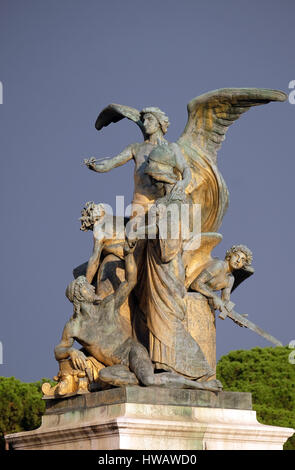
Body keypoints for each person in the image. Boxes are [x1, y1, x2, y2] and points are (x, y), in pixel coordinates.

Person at [51, 240, 222, 394]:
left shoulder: (107, 306)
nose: (92, 289)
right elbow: (59, 350)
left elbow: (130, 282)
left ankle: (202, 386)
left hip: (132, 352)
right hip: (117, 367)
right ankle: (146, 381)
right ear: (80, 295)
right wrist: (71, 351)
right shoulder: (74, 327)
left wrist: (128, 255)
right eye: (87, 288)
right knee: (104, 376)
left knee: (148, 380)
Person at [84, 107, 191, 216]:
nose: (145, 124)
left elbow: (185, 169)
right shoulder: (136, 148)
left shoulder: (171, 148)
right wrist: (95, 166)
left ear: (159, 123)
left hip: (163, 204)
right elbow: (112, 162)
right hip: (139, 205)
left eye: (150, 120)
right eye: (144, 120)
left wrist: (183, 182)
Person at [190, 244, 253, 312]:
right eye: (236, 256)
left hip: (201, 303)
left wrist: (236, 316)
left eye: (242, 260)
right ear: (230, 255)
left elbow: (225, 302)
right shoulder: (219, 265)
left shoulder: (230, 279)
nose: (238, 261)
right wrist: (214, 296)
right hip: (188, 295)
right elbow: (196, 284)